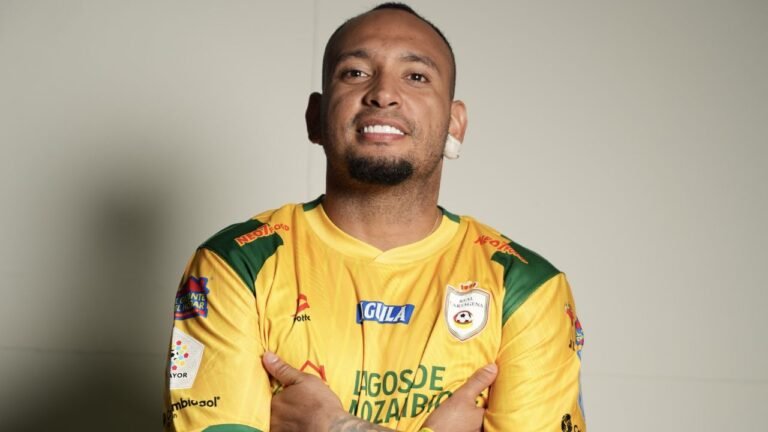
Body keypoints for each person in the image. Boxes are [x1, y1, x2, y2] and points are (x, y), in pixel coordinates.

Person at [163, 3, 586, 432]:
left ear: (454, 124)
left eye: (416, 76)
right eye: (355, 73)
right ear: (315, 117)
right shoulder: (235, 265)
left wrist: (334, 428)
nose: (383, 93)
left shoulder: (527, 288)